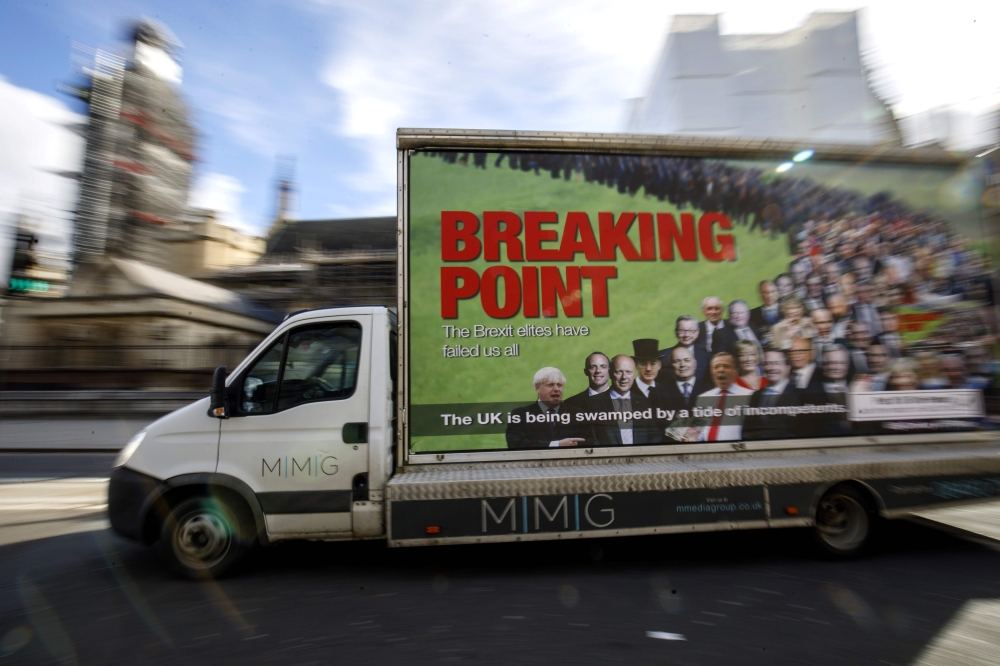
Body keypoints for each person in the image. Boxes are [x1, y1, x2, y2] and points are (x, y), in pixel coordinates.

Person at [506, 367, 586, 450]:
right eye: (550, 385)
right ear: (537, 388)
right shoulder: (520, 414)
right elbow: (516, 444)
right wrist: (557, 444)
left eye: (559, 385)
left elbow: (590, 443)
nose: (556, 389)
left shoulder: (578, 414)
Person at [590, 355, 660, 446]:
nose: (624, 377)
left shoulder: (645, 403)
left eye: (628, 372)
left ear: (634, 374)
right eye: (619, 372)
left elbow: (655, 435)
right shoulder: (593, 403)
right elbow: (592, 439)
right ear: (610, 373)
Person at [743, 349, 804, 440]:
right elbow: (746, 431)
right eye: (767, 363)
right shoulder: (756, 395)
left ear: (788, 367)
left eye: (776, 363)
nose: (771, 368)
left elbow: (804, 432)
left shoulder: (801, 395)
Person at [696, 352, 752, 442]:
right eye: (716, 367)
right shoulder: (703, 398)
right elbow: (697, 433)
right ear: (712, 372)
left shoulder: (750, 396)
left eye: (726, 366)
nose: (721, 370)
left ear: (736, 371)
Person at [659, 315, 709, 384]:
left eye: (691, 331)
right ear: (676, 332)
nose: (686, 335)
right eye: (682, 330)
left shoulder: (707, 357)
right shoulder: (662, 356)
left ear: (697, 333)